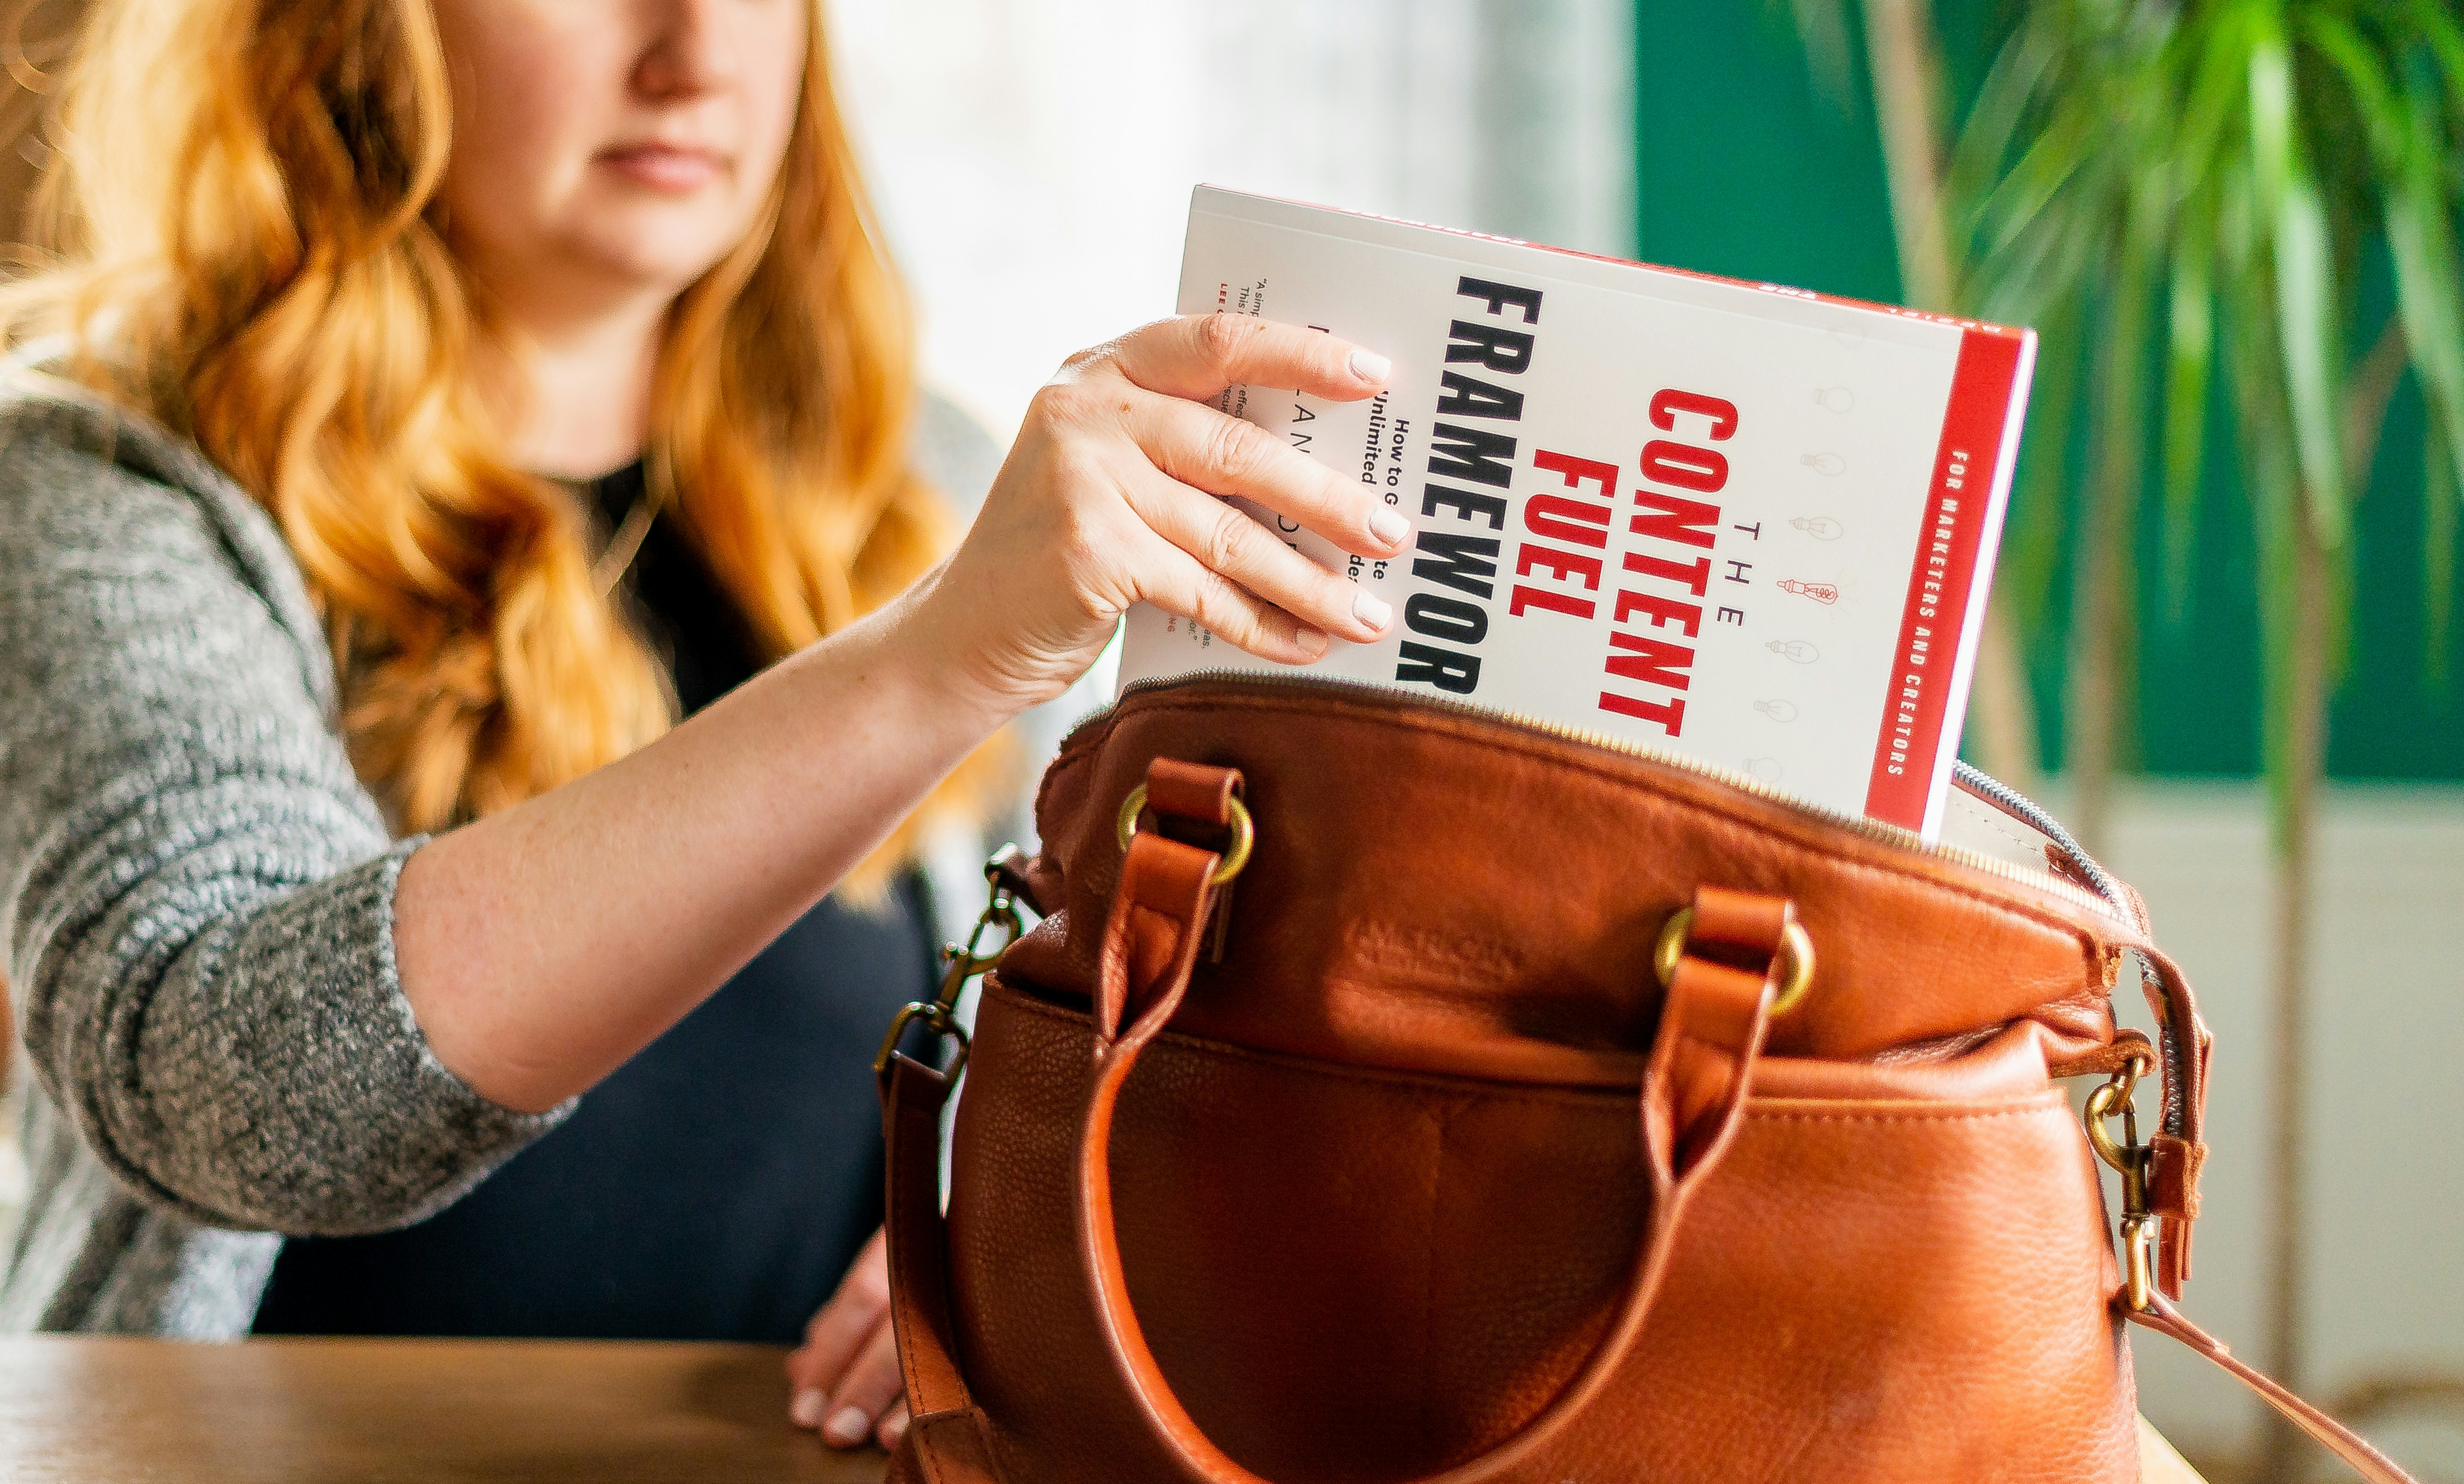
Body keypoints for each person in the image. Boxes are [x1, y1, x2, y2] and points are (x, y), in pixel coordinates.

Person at [0, 0, 1405, 1454]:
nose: (692, 52)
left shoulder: (911, 478)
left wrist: (1006, 1222)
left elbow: (1061, 1022)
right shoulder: (102, 483)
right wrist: (934, 658)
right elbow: (240, 1090)